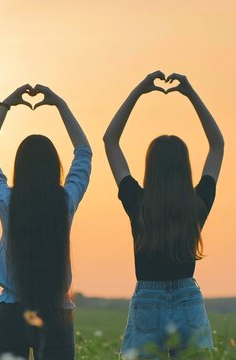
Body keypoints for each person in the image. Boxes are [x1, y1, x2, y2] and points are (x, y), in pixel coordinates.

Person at [103, 71, 224, 358]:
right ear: (185, 168)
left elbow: (110, 140)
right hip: (188, 300)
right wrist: (191, 93)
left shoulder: (138, 202)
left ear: (150, 167)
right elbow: (217, 144)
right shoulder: (196, 204)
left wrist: (139, 91)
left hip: (148, 300)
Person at [0, 84, 92, 359]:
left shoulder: (8, 203)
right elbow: (83, 152)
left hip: (10, 314)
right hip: (56, 313)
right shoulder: (64, 202)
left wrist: (5, 106)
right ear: (55, 167)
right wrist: (61, 105)